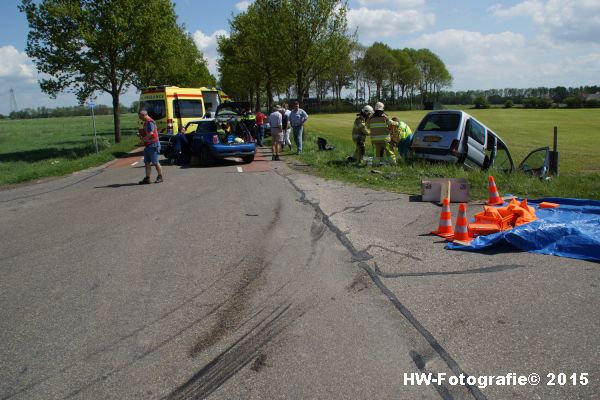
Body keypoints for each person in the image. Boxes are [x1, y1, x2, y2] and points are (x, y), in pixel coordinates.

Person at [137, 110, 163, 184]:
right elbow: (147, 133)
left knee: (155, 162)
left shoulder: (150, 122)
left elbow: (150, 133)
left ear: (144, 115)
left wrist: (142, 141)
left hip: (153, 144)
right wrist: (141, 134)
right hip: (148, 145)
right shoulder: (146, 122)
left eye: (140, 116)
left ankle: (160, 176)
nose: (140, 118)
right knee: (147, 162)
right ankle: (147, 178)